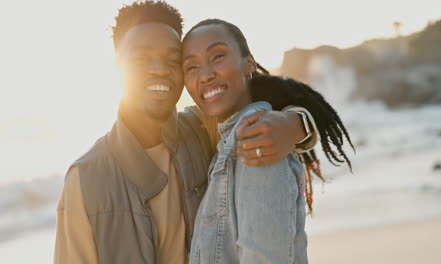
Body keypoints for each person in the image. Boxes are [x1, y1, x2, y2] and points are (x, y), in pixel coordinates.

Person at [54, 1, 321, 264]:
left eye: (172, 60)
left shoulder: (203, 131)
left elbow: (254, 110)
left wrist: (296, 124)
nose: (159, 69)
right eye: (141, 58)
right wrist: (299, 125)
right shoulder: (85, 178)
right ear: (117, 66)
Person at [182, 19, 353, 263]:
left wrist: (297, 124)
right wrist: (300, 123)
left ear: (248, 63)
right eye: (191, 67)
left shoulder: (258, 139)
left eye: (217, 57)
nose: (206, 75)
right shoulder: (223, 140)